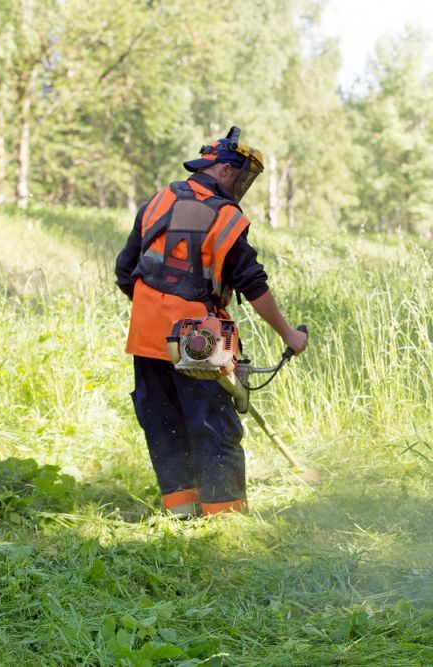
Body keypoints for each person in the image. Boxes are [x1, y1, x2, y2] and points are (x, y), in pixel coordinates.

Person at [115, 127, 307, 518]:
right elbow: (252, 283)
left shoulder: (159, 200)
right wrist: (289, 335)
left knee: (164, 424)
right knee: (213, 428)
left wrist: (158, 309)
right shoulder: (225, 217)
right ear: (222, 170)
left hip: (147, 336)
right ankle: (225, 523)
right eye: (241, 176)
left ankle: (181, 514)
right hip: (197, 343)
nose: (242, 185)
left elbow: (124, 272)